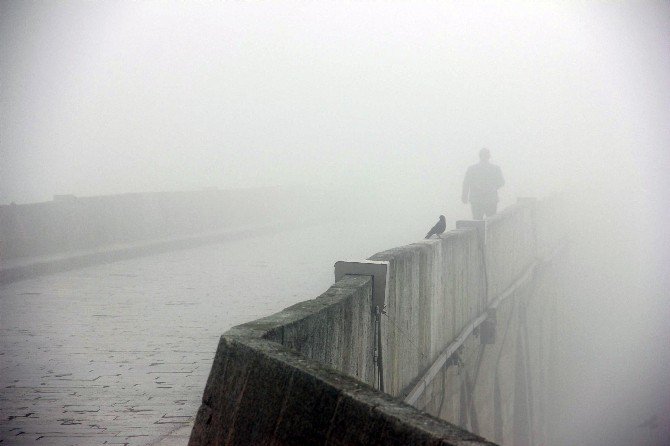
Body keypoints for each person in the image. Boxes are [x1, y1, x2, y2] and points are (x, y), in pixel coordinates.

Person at [461, 148, 504, 220]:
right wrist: (492, 187)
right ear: (489, 156)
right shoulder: (495, 169)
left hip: (478, 200)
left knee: (477, 222)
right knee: (491, 223)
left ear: (479, 156)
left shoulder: (472, 169)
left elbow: (466, 183)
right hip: (490, 200)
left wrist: (464, 196)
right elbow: (501, 182)